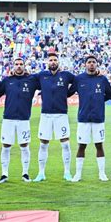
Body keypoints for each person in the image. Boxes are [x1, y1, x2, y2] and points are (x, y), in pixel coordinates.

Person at [68, 55, 111, 182]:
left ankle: (102, 173)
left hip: (98, 118)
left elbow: (110, 94)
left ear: (97, 64)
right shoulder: (79, 79)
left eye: (94, 62)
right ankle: (78, 174)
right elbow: (68, 93)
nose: (92, 64)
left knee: (99, 145)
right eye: (89, 62)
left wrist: (100, 100)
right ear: (85, 64)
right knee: (81, 146)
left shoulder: (102, 79)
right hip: (83, 118)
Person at [33, 53, 75, 182]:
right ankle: (41, 173)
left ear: (58, 62)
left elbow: (79, 81)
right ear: (47, 62)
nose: (53, 62)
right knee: (43, 144)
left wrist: (68, 93)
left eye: (55, 60)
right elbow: (27, 80)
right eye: (50, 60)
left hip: (61, 114)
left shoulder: (66, 75)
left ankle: (67, 172)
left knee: (65, 144)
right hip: (45, 115)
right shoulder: (41, 75)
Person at [0, 58, 39, 184]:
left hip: (24, 119)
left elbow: (46, 82)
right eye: (16, 64)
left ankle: (25, 173)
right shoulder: (7, 80)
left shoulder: (31, 80)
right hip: (8, 119)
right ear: (13, 66)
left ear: (25, 66)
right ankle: (4, 174)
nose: (19, 66)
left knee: (24, 146)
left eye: (21, 64)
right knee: (6, 146)